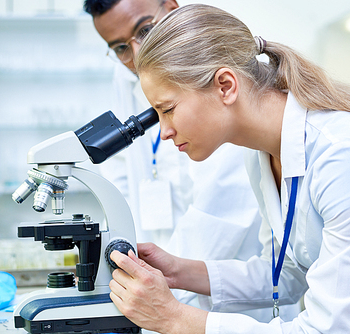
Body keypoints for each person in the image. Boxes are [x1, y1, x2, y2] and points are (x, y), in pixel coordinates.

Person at [106, 3, 350, 334]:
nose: (164, 131)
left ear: (225, 86)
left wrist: (176, 318)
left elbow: (325, 329)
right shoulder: (262, 155)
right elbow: (287, 275)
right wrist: (177, 271)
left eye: (167, 109)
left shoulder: (345, 156)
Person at [83, 0, 301, 323]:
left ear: (171, 8)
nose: (137, 53)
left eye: (144, 30)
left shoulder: (254, 135)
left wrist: (167, 308)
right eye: (119, 48)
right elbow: (289, 275)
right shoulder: (262, 158)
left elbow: (221, 212)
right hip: (190, 289)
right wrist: (162, 273)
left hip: (239, 306)